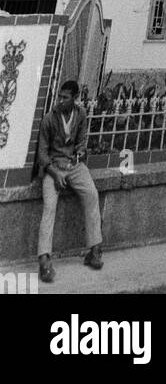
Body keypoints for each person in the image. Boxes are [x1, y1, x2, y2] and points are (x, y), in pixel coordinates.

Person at [36, 79, 104, 283]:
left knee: (92, 195)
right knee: (49, 207)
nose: (60, 100)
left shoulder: (81, 114)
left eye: (65, 97)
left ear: (75, 99)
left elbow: (82, 141)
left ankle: (94, 251)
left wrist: (80, 152)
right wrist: (55, 173)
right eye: (60, 96)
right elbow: (42, 154)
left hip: (73, 166)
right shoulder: (49, 118)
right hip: (53, 167)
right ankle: (44, 260)